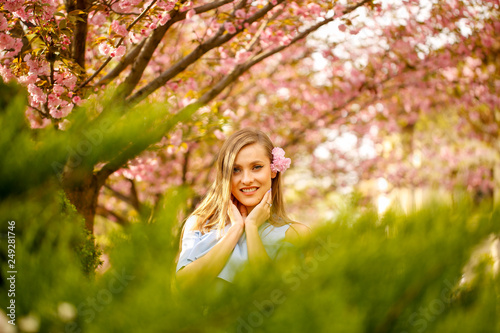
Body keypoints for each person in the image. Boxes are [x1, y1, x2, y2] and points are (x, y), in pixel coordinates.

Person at [175, 128, 310, 290]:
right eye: (236, 170)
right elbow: (181, 288)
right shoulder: (201, 223)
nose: (246, 180)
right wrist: (235, 230)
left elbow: (274, 294)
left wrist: (252, 228)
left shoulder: (296, 234)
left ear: (273, 170)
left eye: (257, 167)